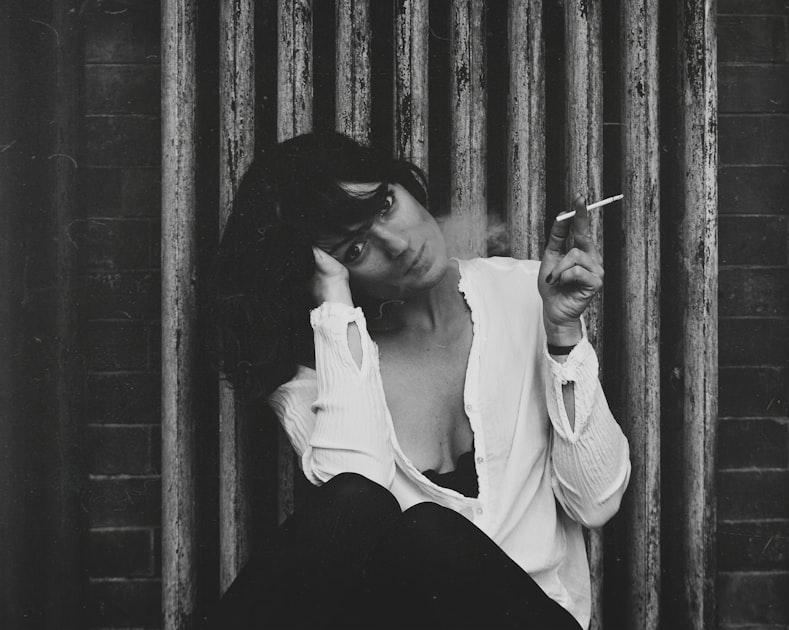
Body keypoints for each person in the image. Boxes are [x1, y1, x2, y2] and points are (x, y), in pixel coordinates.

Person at [205, 131, 631, 629]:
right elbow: (354, 503)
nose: (400, 244)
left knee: (431, 529)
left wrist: (562, 333)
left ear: (402, 185)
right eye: (358, 247)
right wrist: (335, 302)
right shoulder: (320, 368)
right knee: (366, 505)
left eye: (386, 204)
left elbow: (596, 502)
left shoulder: (527, 292)